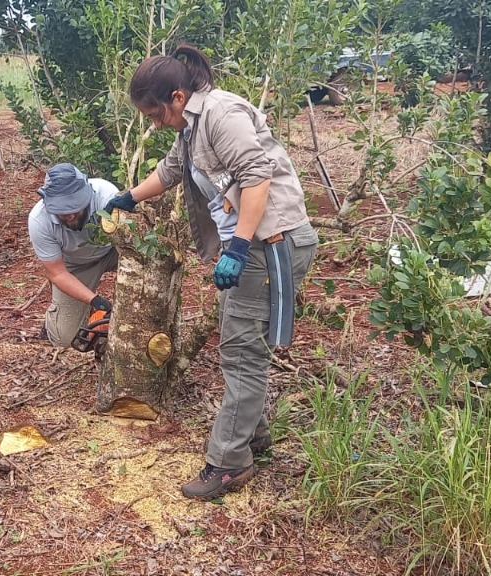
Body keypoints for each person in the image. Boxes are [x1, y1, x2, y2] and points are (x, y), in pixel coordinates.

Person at [105, 45, 318, 501]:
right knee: (242, 341)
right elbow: (172, 170)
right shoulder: (191, 125)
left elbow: (257, 176)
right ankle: (253, 436)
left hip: (268, 246)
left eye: (154, 114)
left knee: (242, 353)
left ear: (177, 97)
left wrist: (238, 246)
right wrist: (130, 197)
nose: (154, 123)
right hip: (253, 247)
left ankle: (229, 462)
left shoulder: (222, 114)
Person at [28, 163, 119, 347]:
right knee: (66, 338)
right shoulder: (39, 221)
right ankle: (59, 320)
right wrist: (95, 300)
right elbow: (57, 273)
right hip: (76, 265)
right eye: (62, 211)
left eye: (75, 207)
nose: (69, 216)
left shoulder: (106, 196)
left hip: (113, 252)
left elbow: (131, 242)